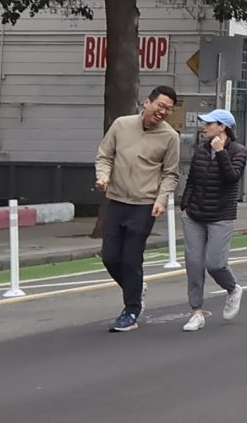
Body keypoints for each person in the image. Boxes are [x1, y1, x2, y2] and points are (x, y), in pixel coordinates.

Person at [95, 86, 180, 332]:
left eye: (168, 109)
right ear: (147, 102)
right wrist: (103, 176)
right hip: (116, 200)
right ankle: (136, 286)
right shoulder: (121, 125)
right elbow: (104, 156)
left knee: (131, 259)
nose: (162, 112)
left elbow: (170, 174)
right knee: (110, 257)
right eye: (160, 106)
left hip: (144, 205)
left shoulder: (170, 137)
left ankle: (131, 311)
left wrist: (161, 199)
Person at [180, 109, 247, 332]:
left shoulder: (238, 151)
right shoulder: (201, 150)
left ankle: (232, 289)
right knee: (194, 264)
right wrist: (186, 204)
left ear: (223, 127)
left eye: (210, 123)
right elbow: (192, 179)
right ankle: (196, 312)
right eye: (205, 123)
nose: (204, 126)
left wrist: (220, 153)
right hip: (195, 215)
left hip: (221, 215)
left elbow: (233, 177)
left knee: (215, 264)